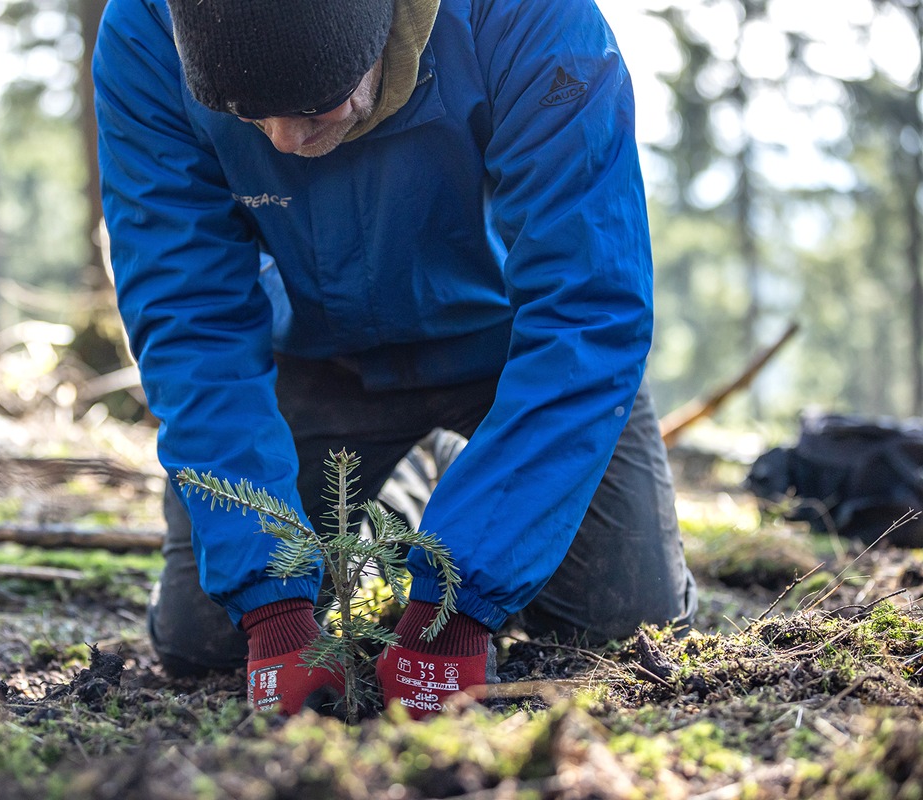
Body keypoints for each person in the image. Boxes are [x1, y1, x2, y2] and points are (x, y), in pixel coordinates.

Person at [92, 0, 698, 718]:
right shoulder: (145, 31)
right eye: (247, 116)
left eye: (314, 102)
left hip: (516, 359)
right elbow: (189, 315)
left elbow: (589, 309)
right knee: (202, 642)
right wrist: (270, 605)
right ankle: (399, 493)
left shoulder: (528, 17)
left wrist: (459, 606)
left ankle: (462, 487)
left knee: (622, 623)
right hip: (316, 361)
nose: (284, 141)